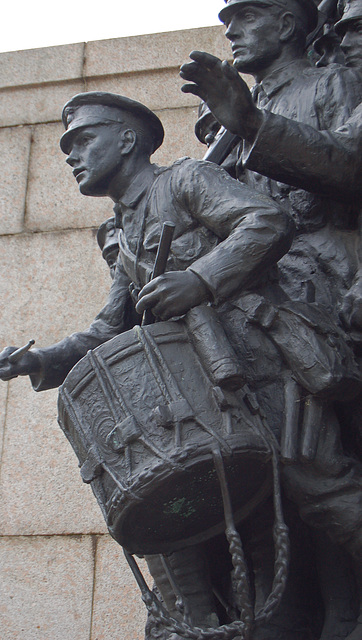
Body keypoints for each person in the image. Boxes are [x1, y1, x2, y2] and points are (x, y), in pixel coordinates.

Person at [0, 91, 297, 637]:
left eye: (82, 140)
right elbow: (111, 325)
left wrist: (201, 279)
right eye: (67, 146)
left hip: (263, 367)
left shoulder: (183, 181)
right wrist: (41, 359)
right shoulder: (126, 225)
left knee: (306, 502)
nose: (71, 155)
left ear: (127, 140)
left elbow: (266, 219)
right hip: (205, 389)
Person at [180, 1, 362, 638]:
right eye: (227, 18)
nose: (230, 28)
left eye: (248, 14)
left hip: (315, 299)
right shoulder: (225, 121)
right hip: (243, 315)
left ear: (289, 24)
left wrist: (252, 120)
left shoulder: (329, 84)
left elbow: (351, 164)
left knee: (314, 466)